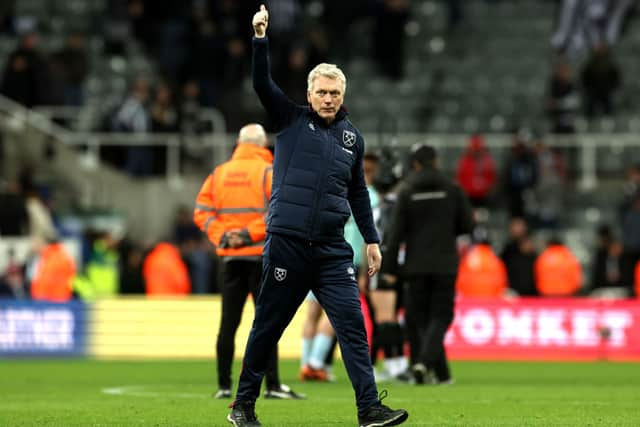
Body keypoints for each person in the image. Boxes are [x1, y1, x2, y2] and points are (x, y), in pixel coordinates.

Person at [227, 6, 409, 427]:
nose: (328, 99)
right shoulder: (290, 120)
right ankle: (243, 406)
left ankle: (369, 410)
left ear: (343, 97)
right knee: (267, 327)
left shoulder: (352, 139)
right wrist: (259, 39)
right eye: (322, 92)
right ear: (309, 95)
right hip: (288, 243)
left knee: (353, 328)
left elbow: (358, 191)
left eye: (335, 93)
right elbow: (261, 82)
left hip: (331, 250)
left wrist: (371, 239)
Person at [194, 123, 303, 400]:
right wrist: (247, 234)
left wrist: (224, 237)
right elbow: (280, 211)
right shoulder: (269, 171)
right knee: (266, 321)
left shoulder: (219, 174)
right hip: (261, 256)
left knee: (228, 323)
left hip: (230, 258)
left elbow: (202, 212)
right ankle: (273, 385)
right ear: (263, 143)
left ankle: (223, 385)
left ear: (239, 143)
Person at [381, 145, 474, 386]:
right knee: (441, 316)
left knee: (418, 318)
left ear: (415, 164)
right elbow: (467, 225)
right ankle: (427, 365)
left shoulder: (408, 191)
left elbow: (395, 233)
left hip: (415, 265)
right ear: (436, 160)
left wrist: (389, 269)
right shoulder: (452, 188)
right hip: (445, 263)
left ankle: (432, 370)